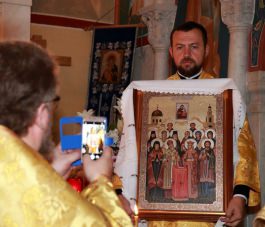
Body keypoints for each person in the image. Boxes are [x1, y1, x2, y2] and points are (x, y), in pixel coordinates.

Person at [0, 41, 132, 226]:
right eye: (53, 103)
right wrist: (101, 182)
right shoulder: (58, 206)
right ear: (41, 114)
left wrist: (49, 173)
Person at [149, 21, 260, 227]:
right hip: (163, 214)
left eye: (194, 46)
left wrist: (239, 196)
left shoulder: (225, 94)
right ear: (171, 52)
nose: (187, 53)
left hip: (212, 212)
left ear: (207, 50)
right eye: (180, 47)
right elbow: (135, 148)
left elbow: (244, 149)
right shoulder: (154, 96)